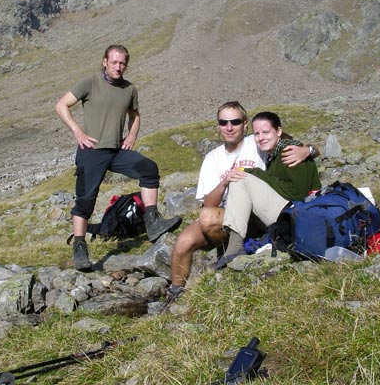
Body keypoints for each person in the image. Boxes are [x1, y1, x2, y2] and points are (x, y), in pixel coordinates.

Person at [166, 102, 318, 304]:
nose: (229, 127)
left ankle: (235, 249)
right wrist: (224, 182)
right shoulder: (213, 158)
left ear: (244, 124)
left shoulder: (257, 142)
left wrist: (308, 149)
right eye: (223, 122)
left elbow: (288, 143)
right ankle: (175, 294)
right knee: (185, 240)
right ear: (218, 125)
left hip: (259, 212)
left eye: (235, 122)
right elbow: (209, 203)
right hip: (228, 211)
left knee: (212, 213)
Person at [55, 45, 181, 271]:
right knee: (85, 200)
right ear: (104, 61)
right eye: (113, 62)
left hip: (116, 151)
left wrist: (131, 135)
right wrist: (78, 132)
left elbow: (135, 116)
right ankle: (80, 246)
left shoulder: (129, 89)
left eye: (122, 63)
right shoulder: (90, 82)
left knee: (148, 169)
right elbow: (61, 105)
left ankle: (152, 222)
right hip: (91, 151)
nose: (118, 67)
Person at [215, 111, 322, 268]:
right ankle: (236, 245)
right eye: (257, 134)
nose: (261, 138)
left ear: (278, 131)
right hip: (289, 214)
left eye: (266, 132)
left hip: (298, 217)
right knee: (241, 180)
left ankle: (234, 247)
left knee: (240, 179)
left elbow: (297, 194)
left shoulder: (289, 151)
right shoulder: (274, 154)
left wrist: (254, 172)